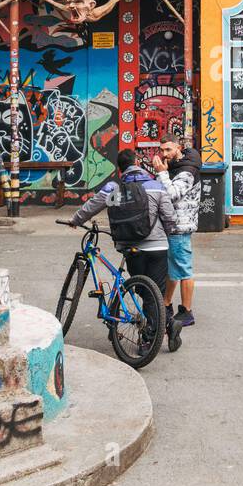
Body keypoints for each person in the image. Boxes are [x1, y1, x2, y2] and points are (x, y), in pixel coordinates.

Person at [69, 148, 184, 351]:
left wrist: (75, 220)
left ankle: (154, 335)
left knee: (142, 289)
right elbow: (170, 218)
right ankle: (163, 328)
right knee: (152, 292)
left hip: (131, 249)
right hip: (158, 248)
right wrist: (168, 234)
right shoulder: (156, 186)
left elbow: (92, 207)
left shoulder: (115, 188)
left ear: (120, 169)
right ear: (137, 164)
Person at [152, 133, 200, 328]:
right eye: (162, 150)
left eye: (168, 149)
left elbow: (173, 194)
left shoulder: (187, 170)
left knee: (183, 268)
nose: (164, 153)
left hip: (180, 226)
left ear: (178, 148)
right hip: (172, 225)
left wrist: (162, 173)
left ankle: (187, 312)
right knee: (172, 268)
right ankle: (166, 304)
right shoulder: (175, 165)